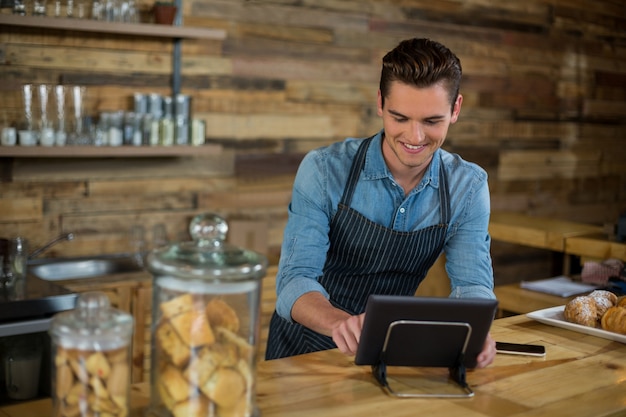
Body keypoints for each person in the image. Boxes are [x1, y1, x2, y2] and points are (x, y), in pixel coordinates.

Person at [265, 38, 496, 368]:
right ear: (380, 103)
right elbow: (294, 280)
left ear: (455, 109)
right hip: (303, 352)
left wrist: (477, 330)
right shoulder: (323, 170)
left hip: (386, 350)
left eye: (432, 121)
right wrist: (338, 323)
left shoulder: (468, 187)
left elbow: (472, 284)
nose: (415, 138)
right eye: (399, 118)